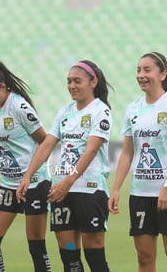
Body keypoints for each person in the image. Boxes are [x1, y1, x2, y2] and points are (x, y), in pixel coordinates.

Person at [17, 60, 113, 271]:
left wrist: (68, 181)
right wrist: (27, 176)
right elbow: (47, 144)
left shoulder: (100, 111)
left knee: (94, 255)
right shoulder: (65, 112)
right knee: (69, 253)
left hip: (88, 190)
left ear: (93, 82)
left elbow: (91, 150)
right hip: (60, 192)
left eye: (77, 81)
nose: (71, 86)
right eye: (69, 81)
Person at [108, 52, 167, 272]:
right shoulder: (133, 109)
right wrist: (116, 188)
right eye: (138, 70)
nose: (141, 75)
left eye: (147, 70)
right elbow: (127, 153)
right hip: (140, 194)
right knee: (144, 259)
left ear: (162, 74)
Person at [0, 60, 51, 272]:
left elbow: (45, 141)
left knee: (36, 246)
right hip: (8, 184)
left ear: (2, 87)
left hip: (34, 183)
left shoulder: (19, 106)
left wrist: (28, 175)